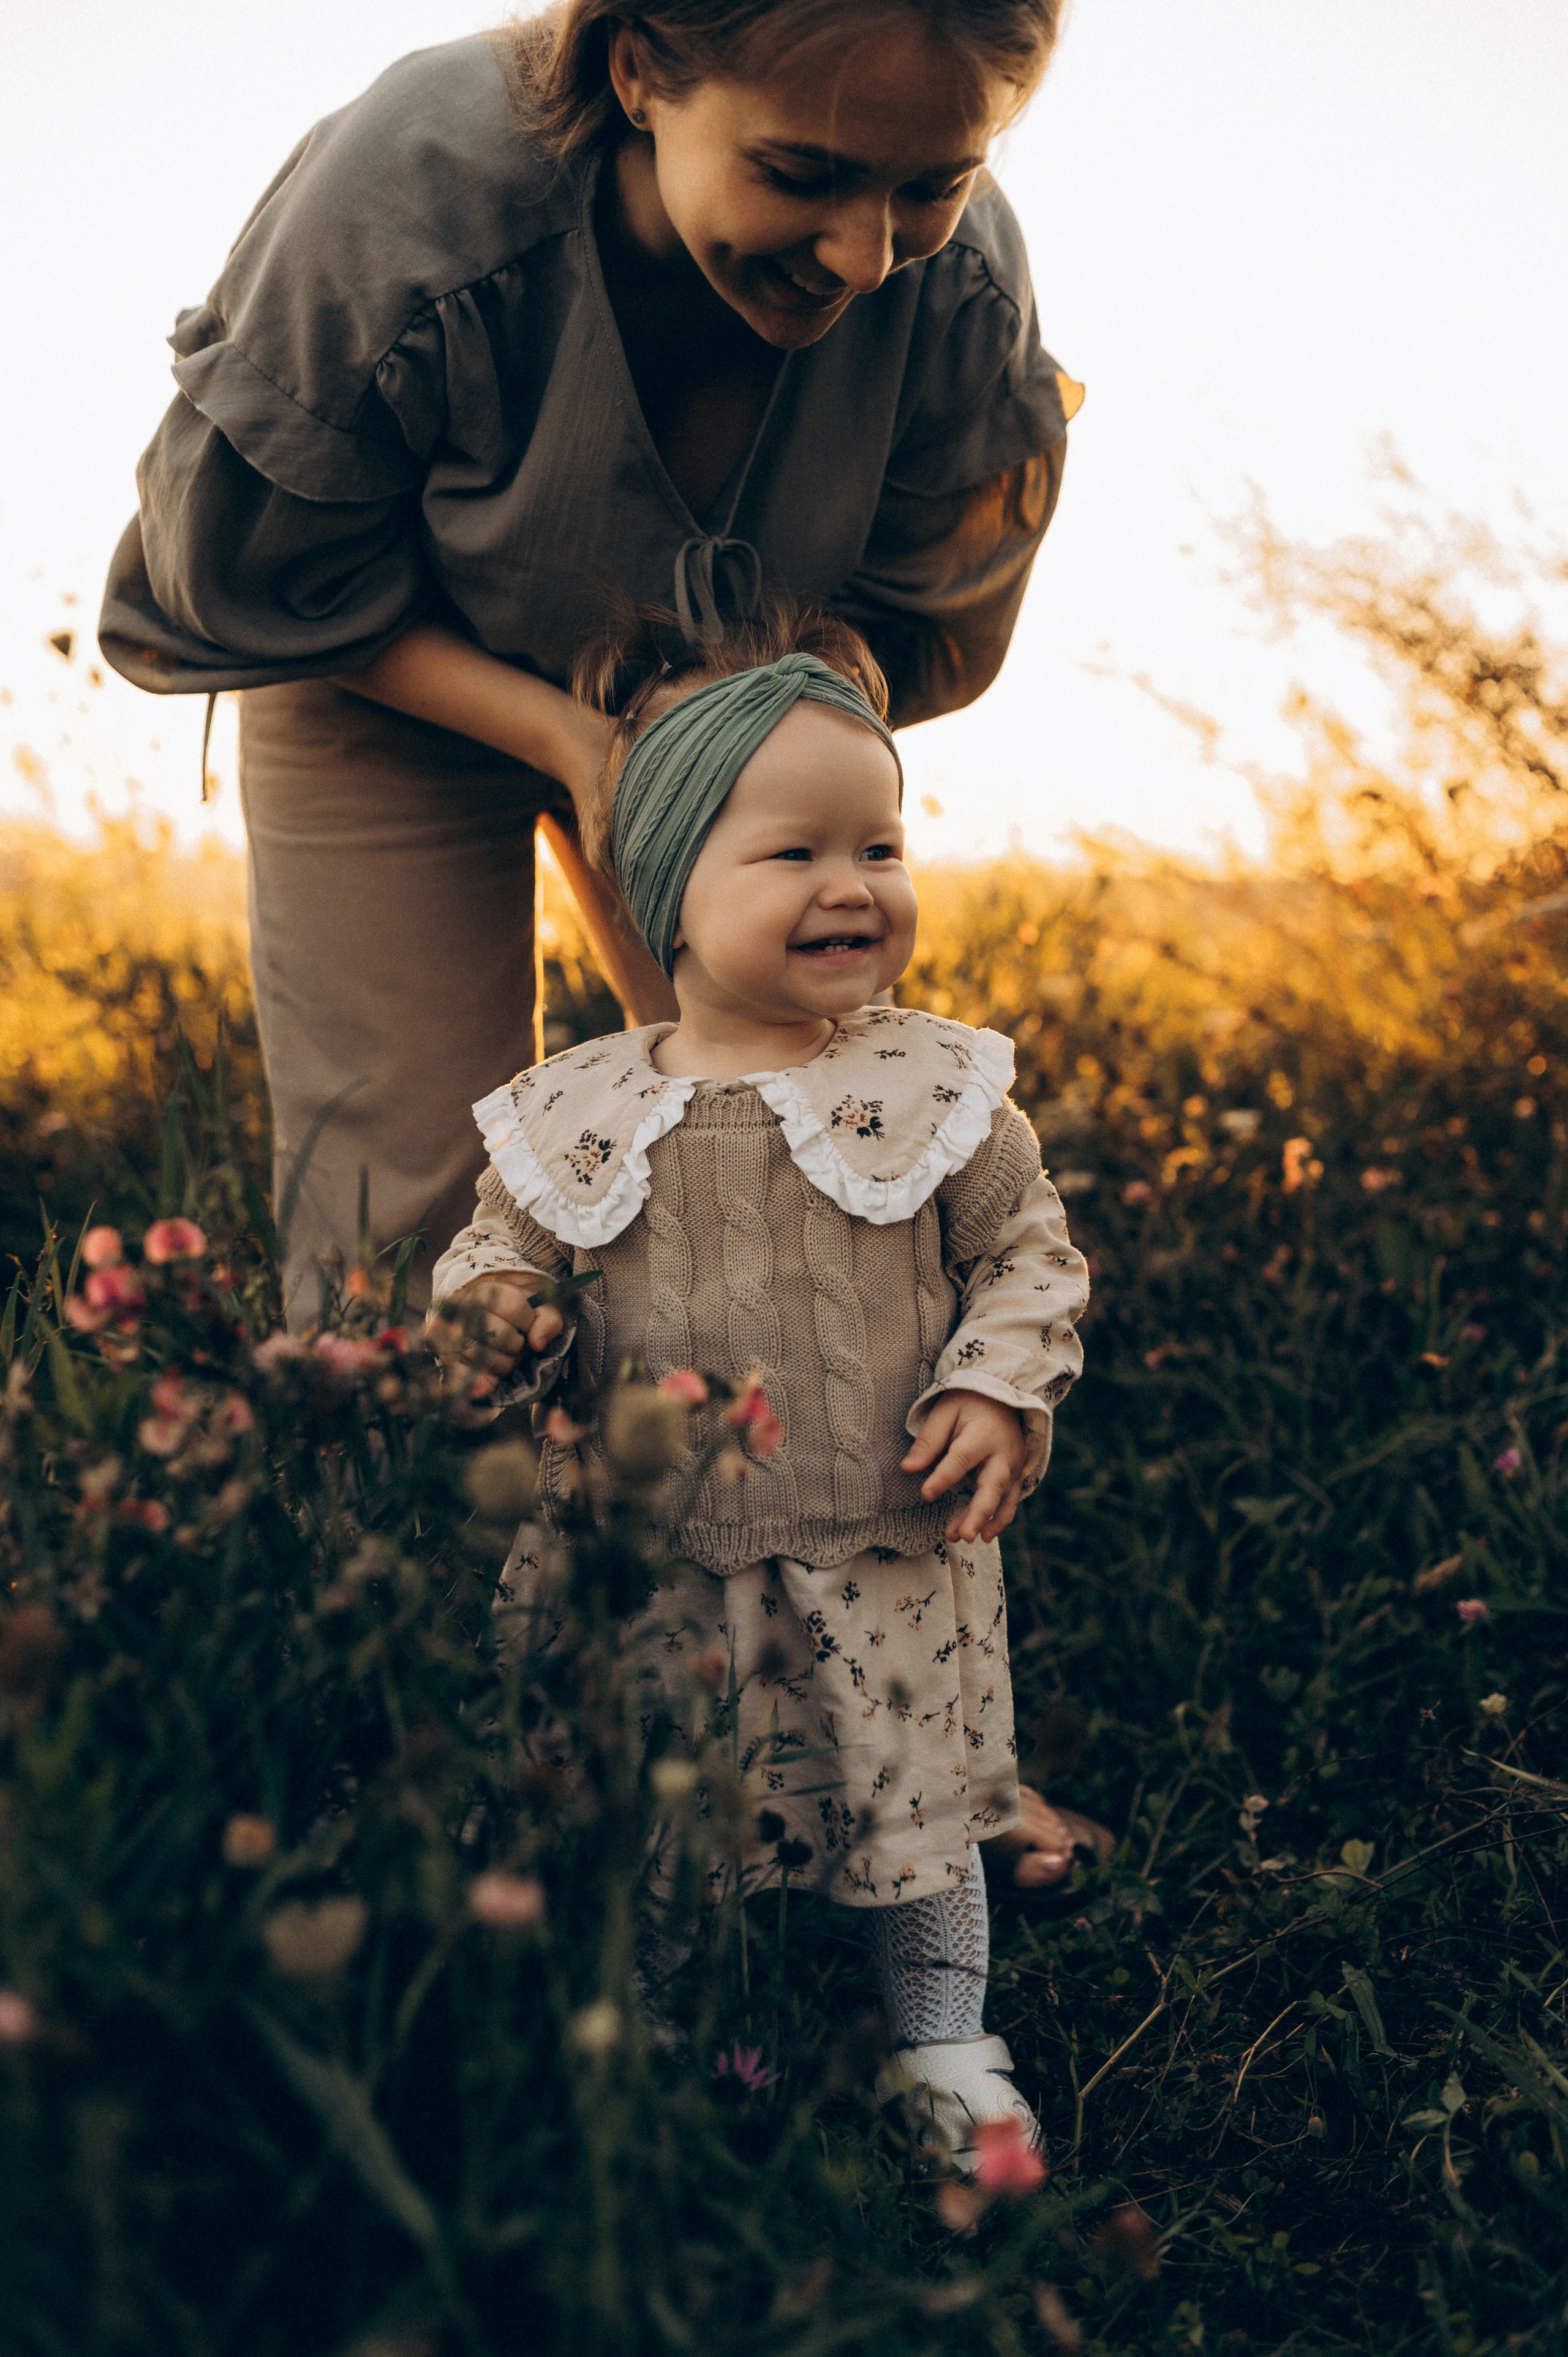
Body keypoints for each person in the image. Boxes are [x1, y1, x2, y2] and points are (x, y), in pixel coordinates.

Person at [98, 0, 1081, 1333]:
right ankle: (414, 1524)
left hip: (723, 722)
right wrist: (568, 739)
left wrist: (727, 733)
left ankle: (749, 1516)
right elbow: (258, 573)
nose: (864, 255)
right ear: (636, 73)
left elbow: (915, 613)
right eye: (800, 174)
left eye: (932, 184)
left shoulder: (955, 282)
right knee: (405, 1205)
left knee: (813, 1139)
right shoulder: (414, 189)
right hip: (389, 675)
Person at [426, 603, 1091, 2167]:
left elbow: (1028, 1256)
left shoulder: (930, 1086)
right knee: (671, 1809)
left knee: (912, 1808)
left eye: (879, 844)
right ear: (666, 889)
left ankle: (940, 2044)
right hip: (650, 1559)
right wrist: (501, 1311)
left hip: (880, 1539)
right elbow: (488, 1249)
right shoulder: (576, 1104)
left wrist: (996, 1389)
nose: (851, 883)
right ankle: (661, 2045)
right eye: (791, 853)